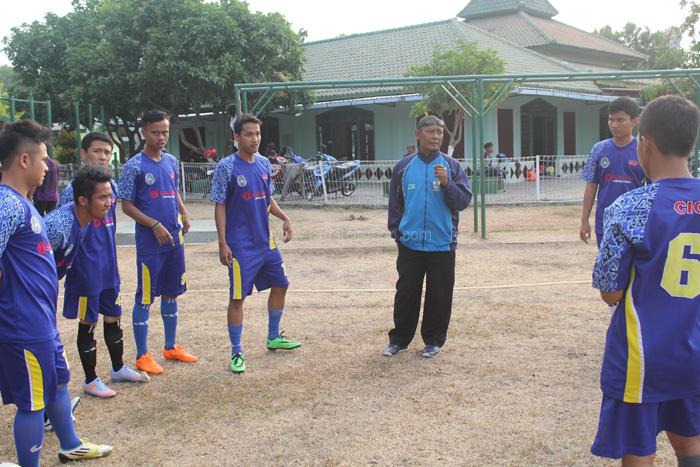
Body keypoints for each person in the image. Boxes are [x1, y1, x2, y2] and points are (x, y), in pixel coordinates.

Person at [591, 95, 700, 464]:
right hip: (695, 354)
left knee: (639, 451)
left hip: (643, 357)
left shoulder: (629, 206)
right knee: (690, 443)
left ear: (645, 143)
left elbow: (610, 292)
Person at [0, 120, 112, 466]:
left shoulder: (23, 203)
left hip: (40, 321)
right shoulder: (7, 204)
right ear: (23, 160)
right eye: (43, 158)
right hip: (23, 325)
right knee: (32, 402)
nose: (47, 166)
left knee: (60, 382)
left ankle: (70, 444)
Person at [58, 132, 148, 398]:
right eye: (97, 151)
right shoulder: (72, 191)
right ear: (84, 154)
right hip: (85, 269)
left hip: (109, 265)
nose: (103, 157)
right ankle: (90, 379)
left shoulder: (111, 184)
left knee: (114, 315)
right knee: (89, 321)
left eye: (107, 152)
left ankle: (118, 368)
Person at [210, 113, 300, 374]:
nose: (255, 139)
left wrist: (284, 217)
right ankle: (237, 352)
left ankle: (273, 337)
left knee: (281, 284)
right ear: (236, 137)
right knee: (238, 297)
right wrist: (222, 243)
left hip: (265, 243)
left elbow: (266, 199)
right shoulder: (226, 167)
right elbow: (220, 206)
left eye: (258, 134)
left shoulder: (263, 164)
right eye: (249, 134)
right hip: (240, 247)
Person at [118, 110, 197, 375]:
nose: (161, 137)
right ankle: (142, 355)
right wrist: (152, 224)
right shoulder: (134, 166)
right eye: (155, 132)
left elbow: (173, 190)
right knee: (146, 296)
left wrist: (183, 211)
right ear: (143, 133)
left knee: (172, 291)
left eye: (164, 131)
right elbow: (126, 206)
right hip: (150, 244)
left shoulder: (172, 161)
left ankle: (171, 346)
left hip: (175, 239)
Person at [385, 115, 471, 358]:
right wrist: (397, 231)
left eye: (440, 133)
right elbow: (395, 204)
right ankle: (399, 340)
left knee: (440, 294)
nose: (436, 136)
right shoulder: (403, 167)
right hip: (410, 242)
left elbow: (463, 201)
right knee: (406, 293)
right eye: (431, 131)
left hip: (442, 242)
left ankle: (433, 341)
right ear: (417, 134)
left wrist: (447, 183)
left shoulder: (452, 167)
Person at [580, 97, 646, 247]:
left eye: (620, 120)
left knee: (632, 267)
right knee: (606, 264)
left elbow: (653, 186)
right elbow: (591, 187)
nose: (614, 125)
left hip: (634, 221)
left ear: (634, 121)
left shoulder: (643, 150)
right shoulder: (599, 149)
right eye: (611, 120)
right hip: (605, 221)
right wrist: (584, 221)